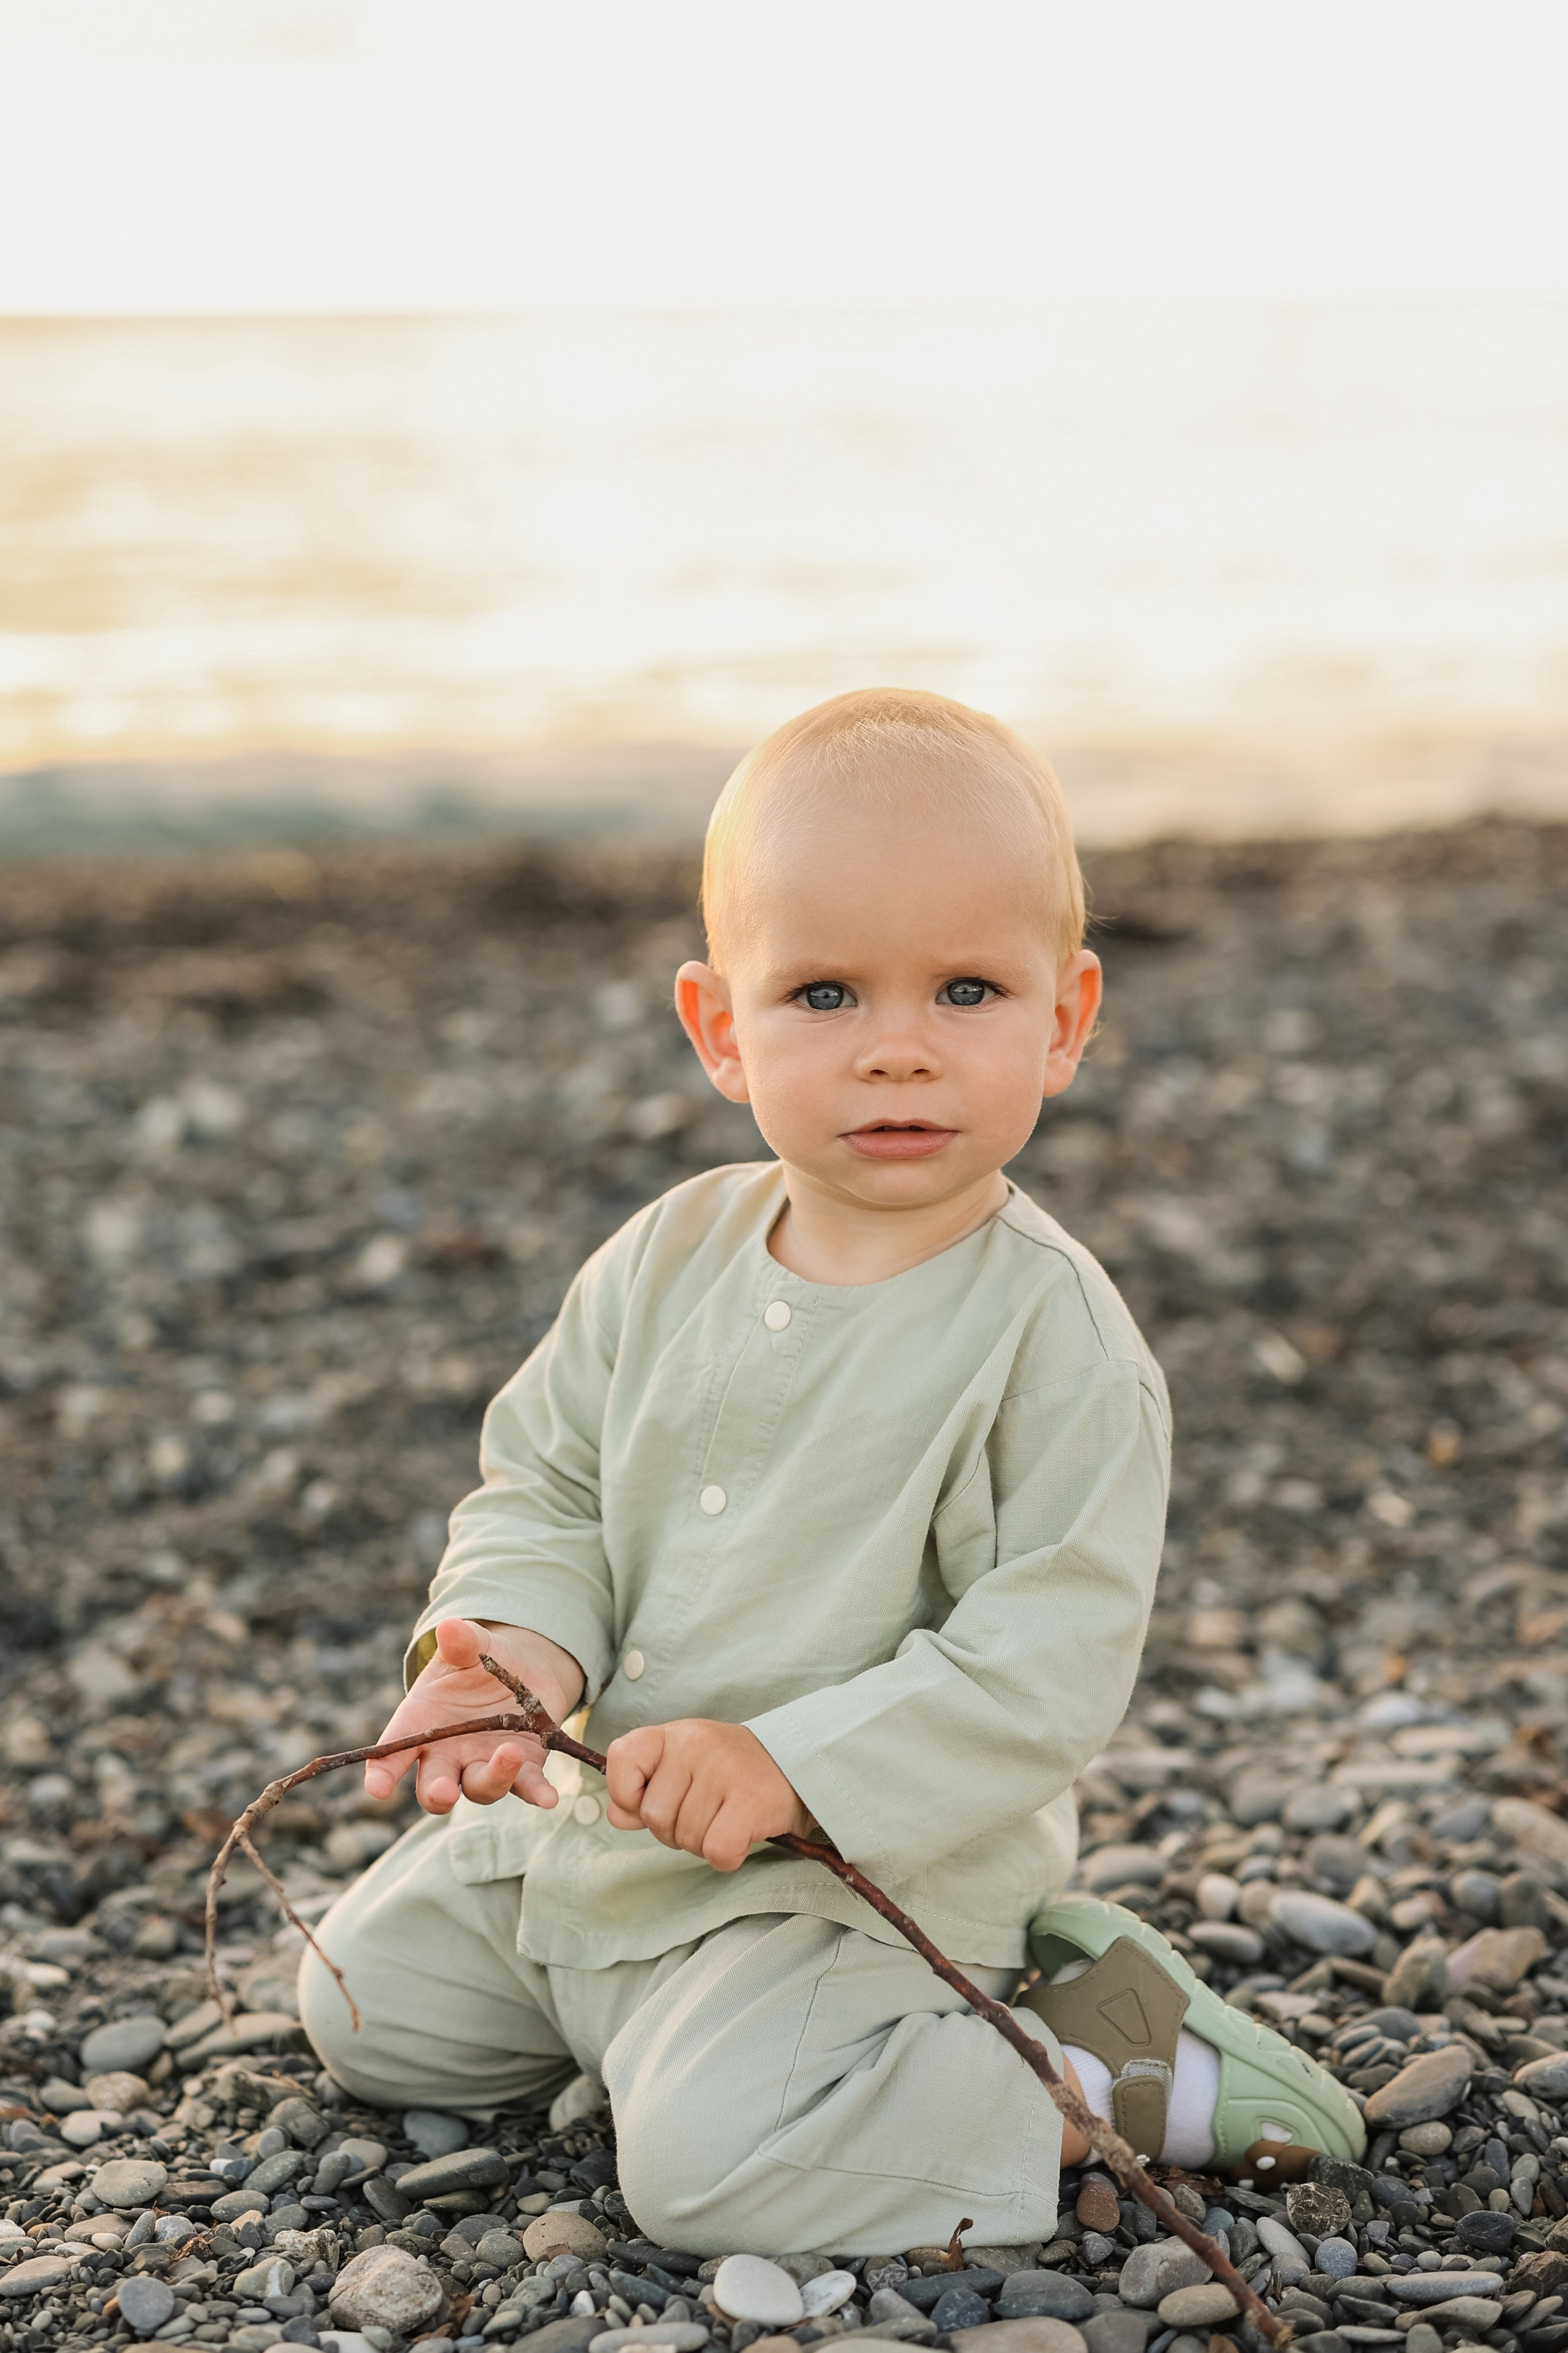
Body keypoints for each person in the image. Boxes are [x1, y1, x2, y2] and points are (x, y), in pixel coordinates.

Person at [300, 688, 1363, 2254]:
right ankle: (670, 2033)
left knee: (702, 2180)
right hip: (603, 1848)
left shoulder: (1049, 1337)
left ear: (1063, 1019)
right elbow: (547, 1485)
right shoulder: (666, 1253)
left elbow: (1041, 1661)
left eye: (962, 988)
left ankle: (1089, 2069)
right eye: (820, 993)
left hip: (851, 1889)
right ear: (719, 1028)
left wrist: (796, 1767)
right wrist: (510, 1654)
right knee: (360, 2003)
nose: (895, 1050)